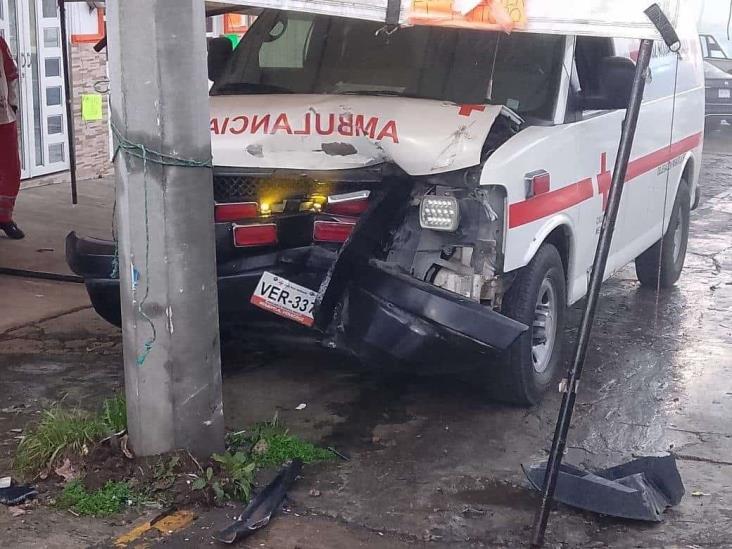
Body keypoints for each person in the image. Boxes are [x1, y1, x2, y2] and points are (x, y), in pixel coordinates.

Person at [0, 35, 24, 239]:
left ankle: (5, 218)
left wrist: (12, 104)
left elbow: (11, 74)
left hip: (2, 117)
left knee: (10, 168)